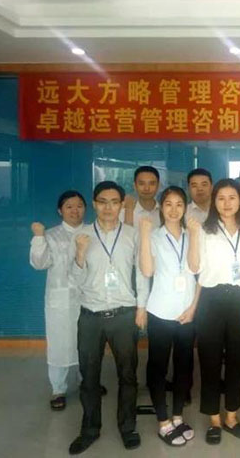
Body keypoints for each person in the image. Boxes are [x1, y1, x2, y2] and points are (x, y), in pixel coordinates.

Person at [68, 181, 149, 454]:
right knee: (89, 376)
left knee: (128, 374)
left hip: (124, 314)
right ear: (94, 204)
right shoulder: (81, 235)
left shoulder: (132, 235)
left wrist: (142, 307)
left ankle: (128, 427)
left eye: (114, 202)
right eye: (103, 202)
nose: (108, 207)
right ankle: (89, 429)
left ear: (122, 205)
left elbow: (143, 273)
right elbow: (73, 280)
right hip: (90, 315)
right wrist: (80, 254)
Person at [195, 179, 240, 445]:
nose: (226, 203)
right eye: (221, 198)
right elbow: (196, 269)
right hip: (211, 299)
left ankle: (232, 416)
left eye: (232, 197)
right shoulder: (203, 230)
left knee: (236, 360)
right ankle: (213, 418)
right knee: (209, 360)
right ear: (214, 201)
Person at [138, 186, 201, 447]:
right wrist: (144, 235)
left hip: (187, 312)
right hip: (161, 311)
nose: (174, 210)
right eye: (168, 204)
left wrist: (194, 235)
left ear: (185, 208)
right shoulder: (153, 236)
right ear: (161, 208)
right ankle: (163, 421)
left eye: (179, 204)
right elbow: (147, 271)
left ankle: (178, 416)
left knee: (184, 365)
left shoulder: (192, 234)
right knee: (158, 366)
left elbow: (196, 269)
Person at [29, 190, 87, 411]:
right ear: (60, 210)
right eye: (69, 206)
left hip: (88, 297)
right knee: (60, 344)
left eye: (79, 206)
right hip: (60, 301)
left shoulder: (93, 232)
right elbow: (39, 263)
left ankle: (87, 381)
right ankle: (58, 389)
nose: (75, 210)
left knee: (87, 342)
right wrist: (38, 237)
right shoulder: (51, 235)